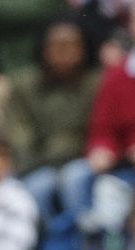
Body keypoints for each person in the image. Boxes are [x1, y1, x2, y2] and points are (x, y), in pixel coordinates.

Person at [66, 0, 135, 236]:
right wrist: (101, 150)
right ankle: (86, 242)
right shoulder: (118, 75)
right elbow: (102, 129)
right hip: (125, 161)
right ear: (133, 28)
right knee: (74, 176)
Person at [7, 18, 102, 215]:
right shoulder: (24, 86)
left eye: (71, 45)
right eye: (57, 45)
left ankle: (82, 238)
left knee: (74, 178)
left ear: (84, 47)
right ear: (44, 48)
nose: (64, 51)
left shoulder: (98, 84)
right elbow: (19, 134)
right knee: (37, 186)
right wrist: (36, 162)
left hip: (85, 161)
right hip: (38, 164)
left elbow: (103, 129)